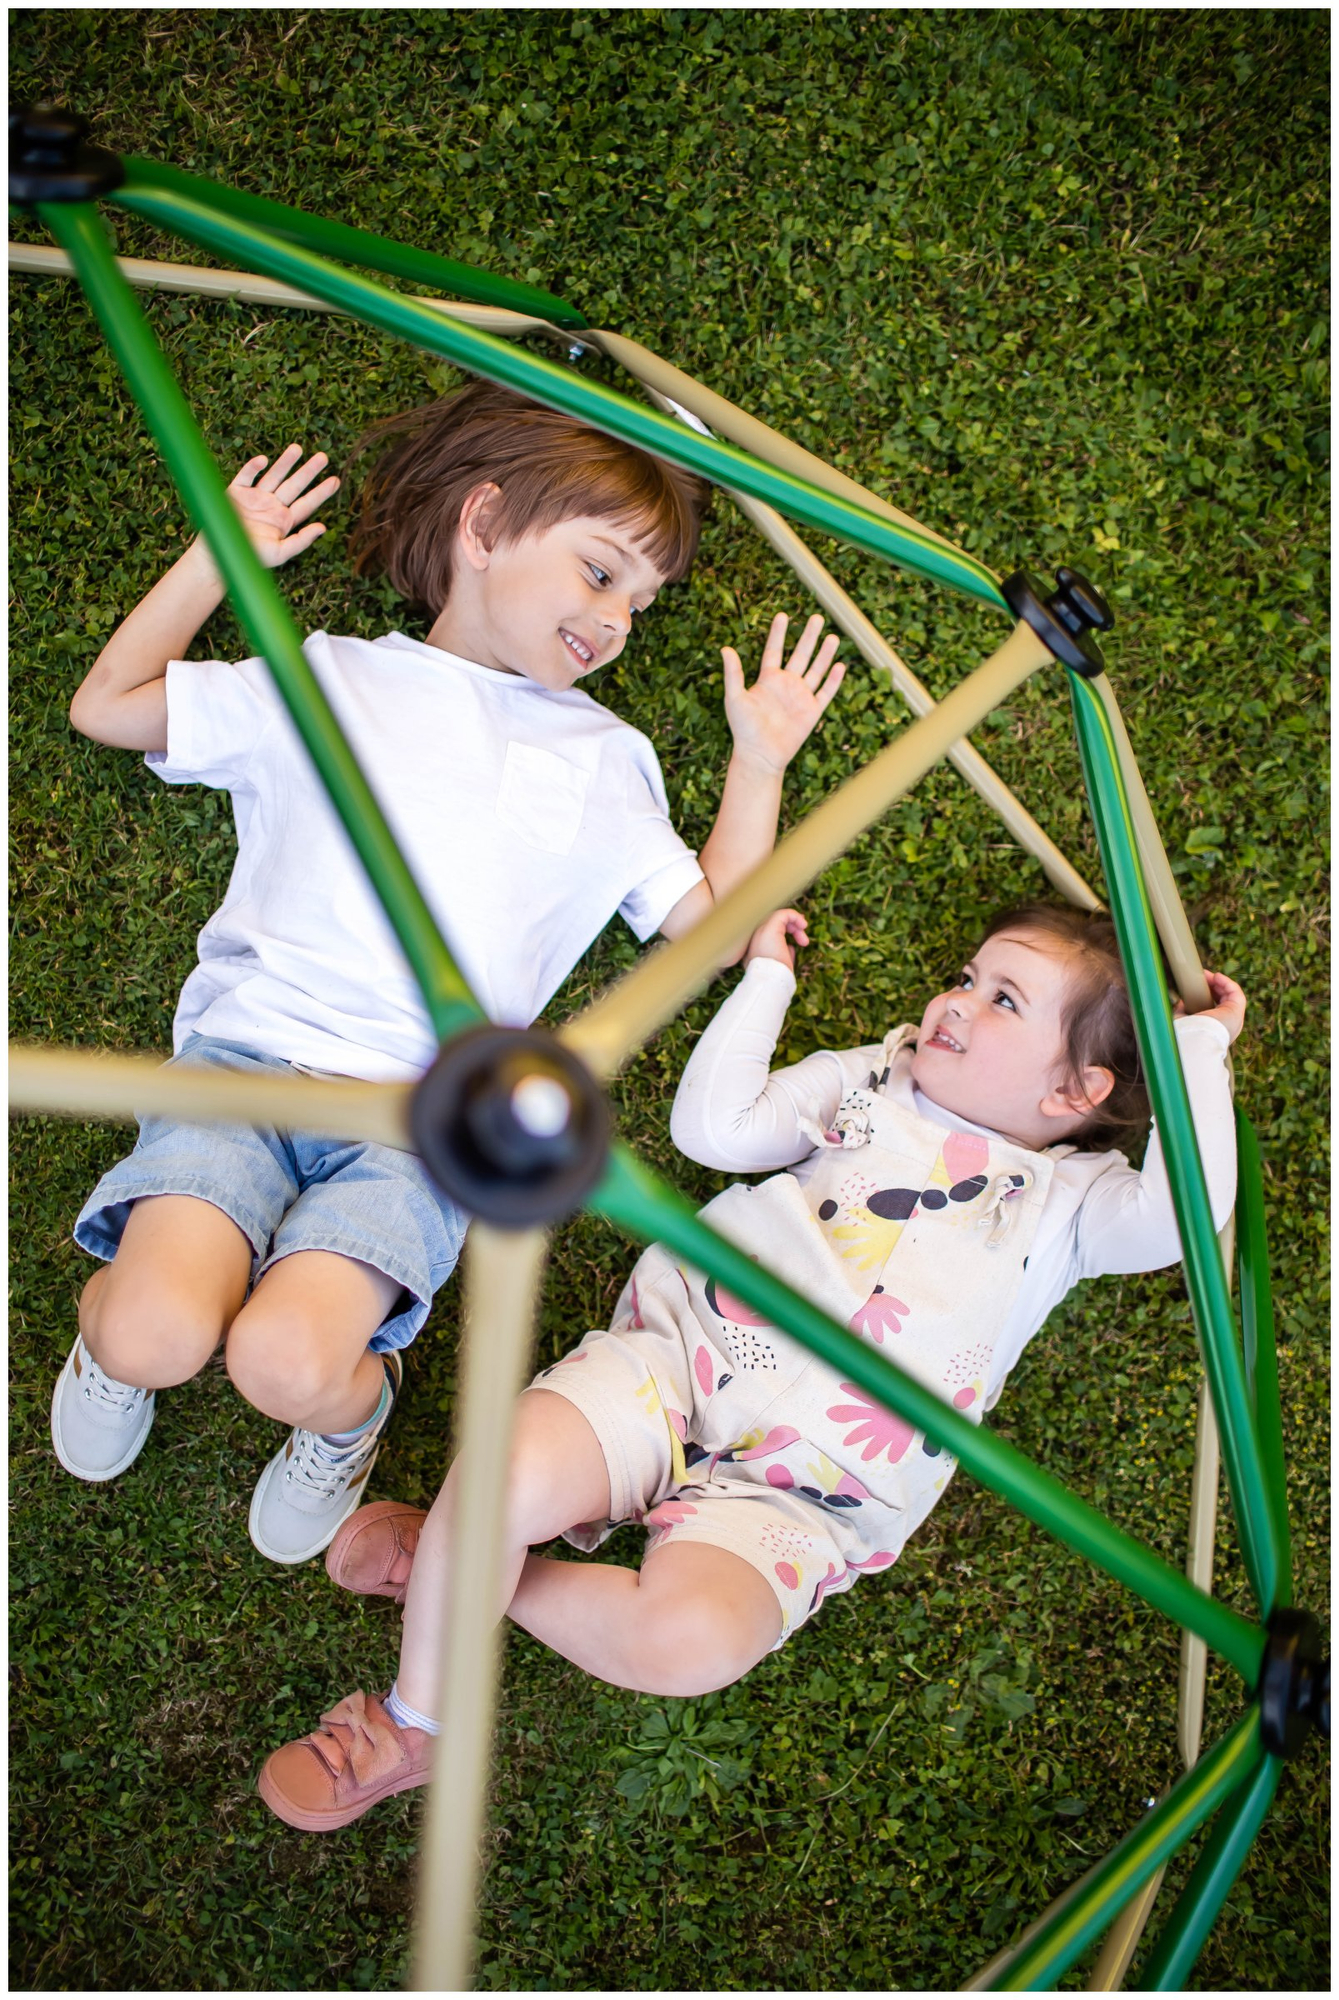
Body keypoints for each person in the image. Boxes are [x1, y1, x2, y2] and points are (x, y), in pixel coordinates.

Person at [51, 380, 848, 1565]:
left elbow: (712, 931)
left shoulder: (606, 756)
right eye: (600, 572)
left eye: (640, 601)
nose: (618, 620)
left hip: (422, 1123)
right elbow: (108, 705)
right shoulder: (326, 675)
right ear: (482, 525)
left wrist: (761, 760)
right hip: (248, 1067)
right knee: (150, 1332)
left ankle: (350, 1411)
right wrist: (222, 554)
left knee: (287, 1362)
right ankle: (113, 1340)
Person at [256, 899, 1244, 1830]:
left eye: (1003, 999)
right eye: (964, 976)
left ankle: (461, 1561)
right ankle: (415, 1720)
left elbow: (1182, 1216)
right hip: (678, 1366)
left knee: (687, 1645)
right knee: (508, 1471)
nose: (954, 1001)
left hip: (814, 1490)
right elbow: (714, 1131)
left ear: (1074, 1091)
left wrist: (1197, 1049)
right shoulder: (873, 1076)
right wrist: (766, 979)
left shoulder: (1074, 1208)